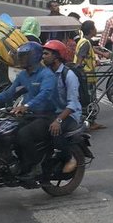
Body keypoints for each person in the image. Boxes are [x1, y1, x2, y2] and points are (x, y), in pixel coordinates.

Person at [0, 42, 60, 183]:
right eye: (21, 56)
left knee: (23, 135)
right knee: (1, 131)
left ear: (34, 57)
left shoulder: (46, 75)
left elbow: (45, 94)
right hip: (29, 115)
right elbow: (9, 93)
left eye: (25, 56)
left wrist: (26, 106)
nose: (21, 59)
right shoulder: (23, 75)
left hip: (46, 116)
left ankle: (35, 167)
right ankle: (9, 163)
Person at [41, 40, 81, 174]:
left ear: (56, 57)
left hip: (70, 114)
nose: (43, 56)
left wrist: (58, 120)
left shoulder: (69, 75)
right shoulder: (46, 74)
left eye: (46, 54)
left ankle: (69, 158)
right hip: (53, 112)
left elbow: (72, 104)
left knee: (54, 130)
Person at [74, 20, 104, 130]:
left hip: (87, 75)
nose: (96, 30)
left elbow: (88, 54)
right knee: (89, 99)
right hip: (87, 77)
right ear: (91, 30)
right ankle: (90, 122)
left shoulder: (84, 41)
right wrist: (80, 69)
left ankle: (90, 121)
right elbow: (80, 58)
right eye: (94, 28)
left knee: (89, 99)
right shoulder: (85, 43)